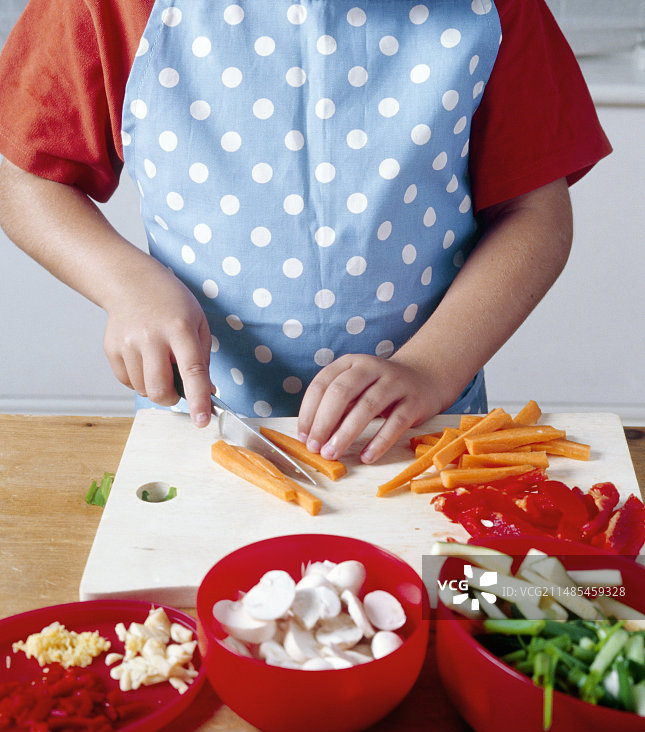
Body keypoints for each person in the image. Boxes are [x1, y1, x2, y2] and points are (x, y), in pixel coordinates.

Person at [0, 0, 610, 464]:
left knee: (442, 602)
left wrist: (431, 368)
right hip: (203, 430)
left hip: (419, 428)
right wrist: (124, 284)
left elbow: (535, 213)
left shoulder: (501, 8)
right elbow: (22, 177)